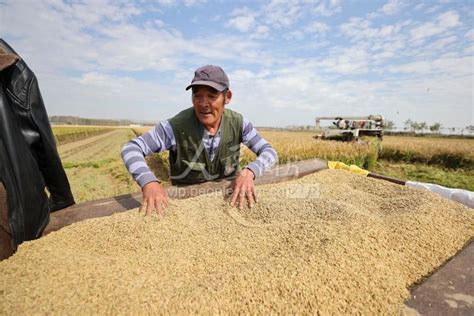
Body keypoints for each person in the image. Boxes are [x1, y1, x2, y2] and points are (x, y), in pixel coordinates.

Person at [121, 65, 277, 215]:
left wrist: (249, 172)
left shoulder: (239, 124)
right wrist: (149, 182)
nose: (203, 103)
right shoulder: (175, 128)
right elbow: (131, 149)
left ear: (227, 97)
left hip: (228, 201)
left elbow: (269, 152)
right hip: (188, 206)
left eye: (212, 96)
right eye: (197, 95)